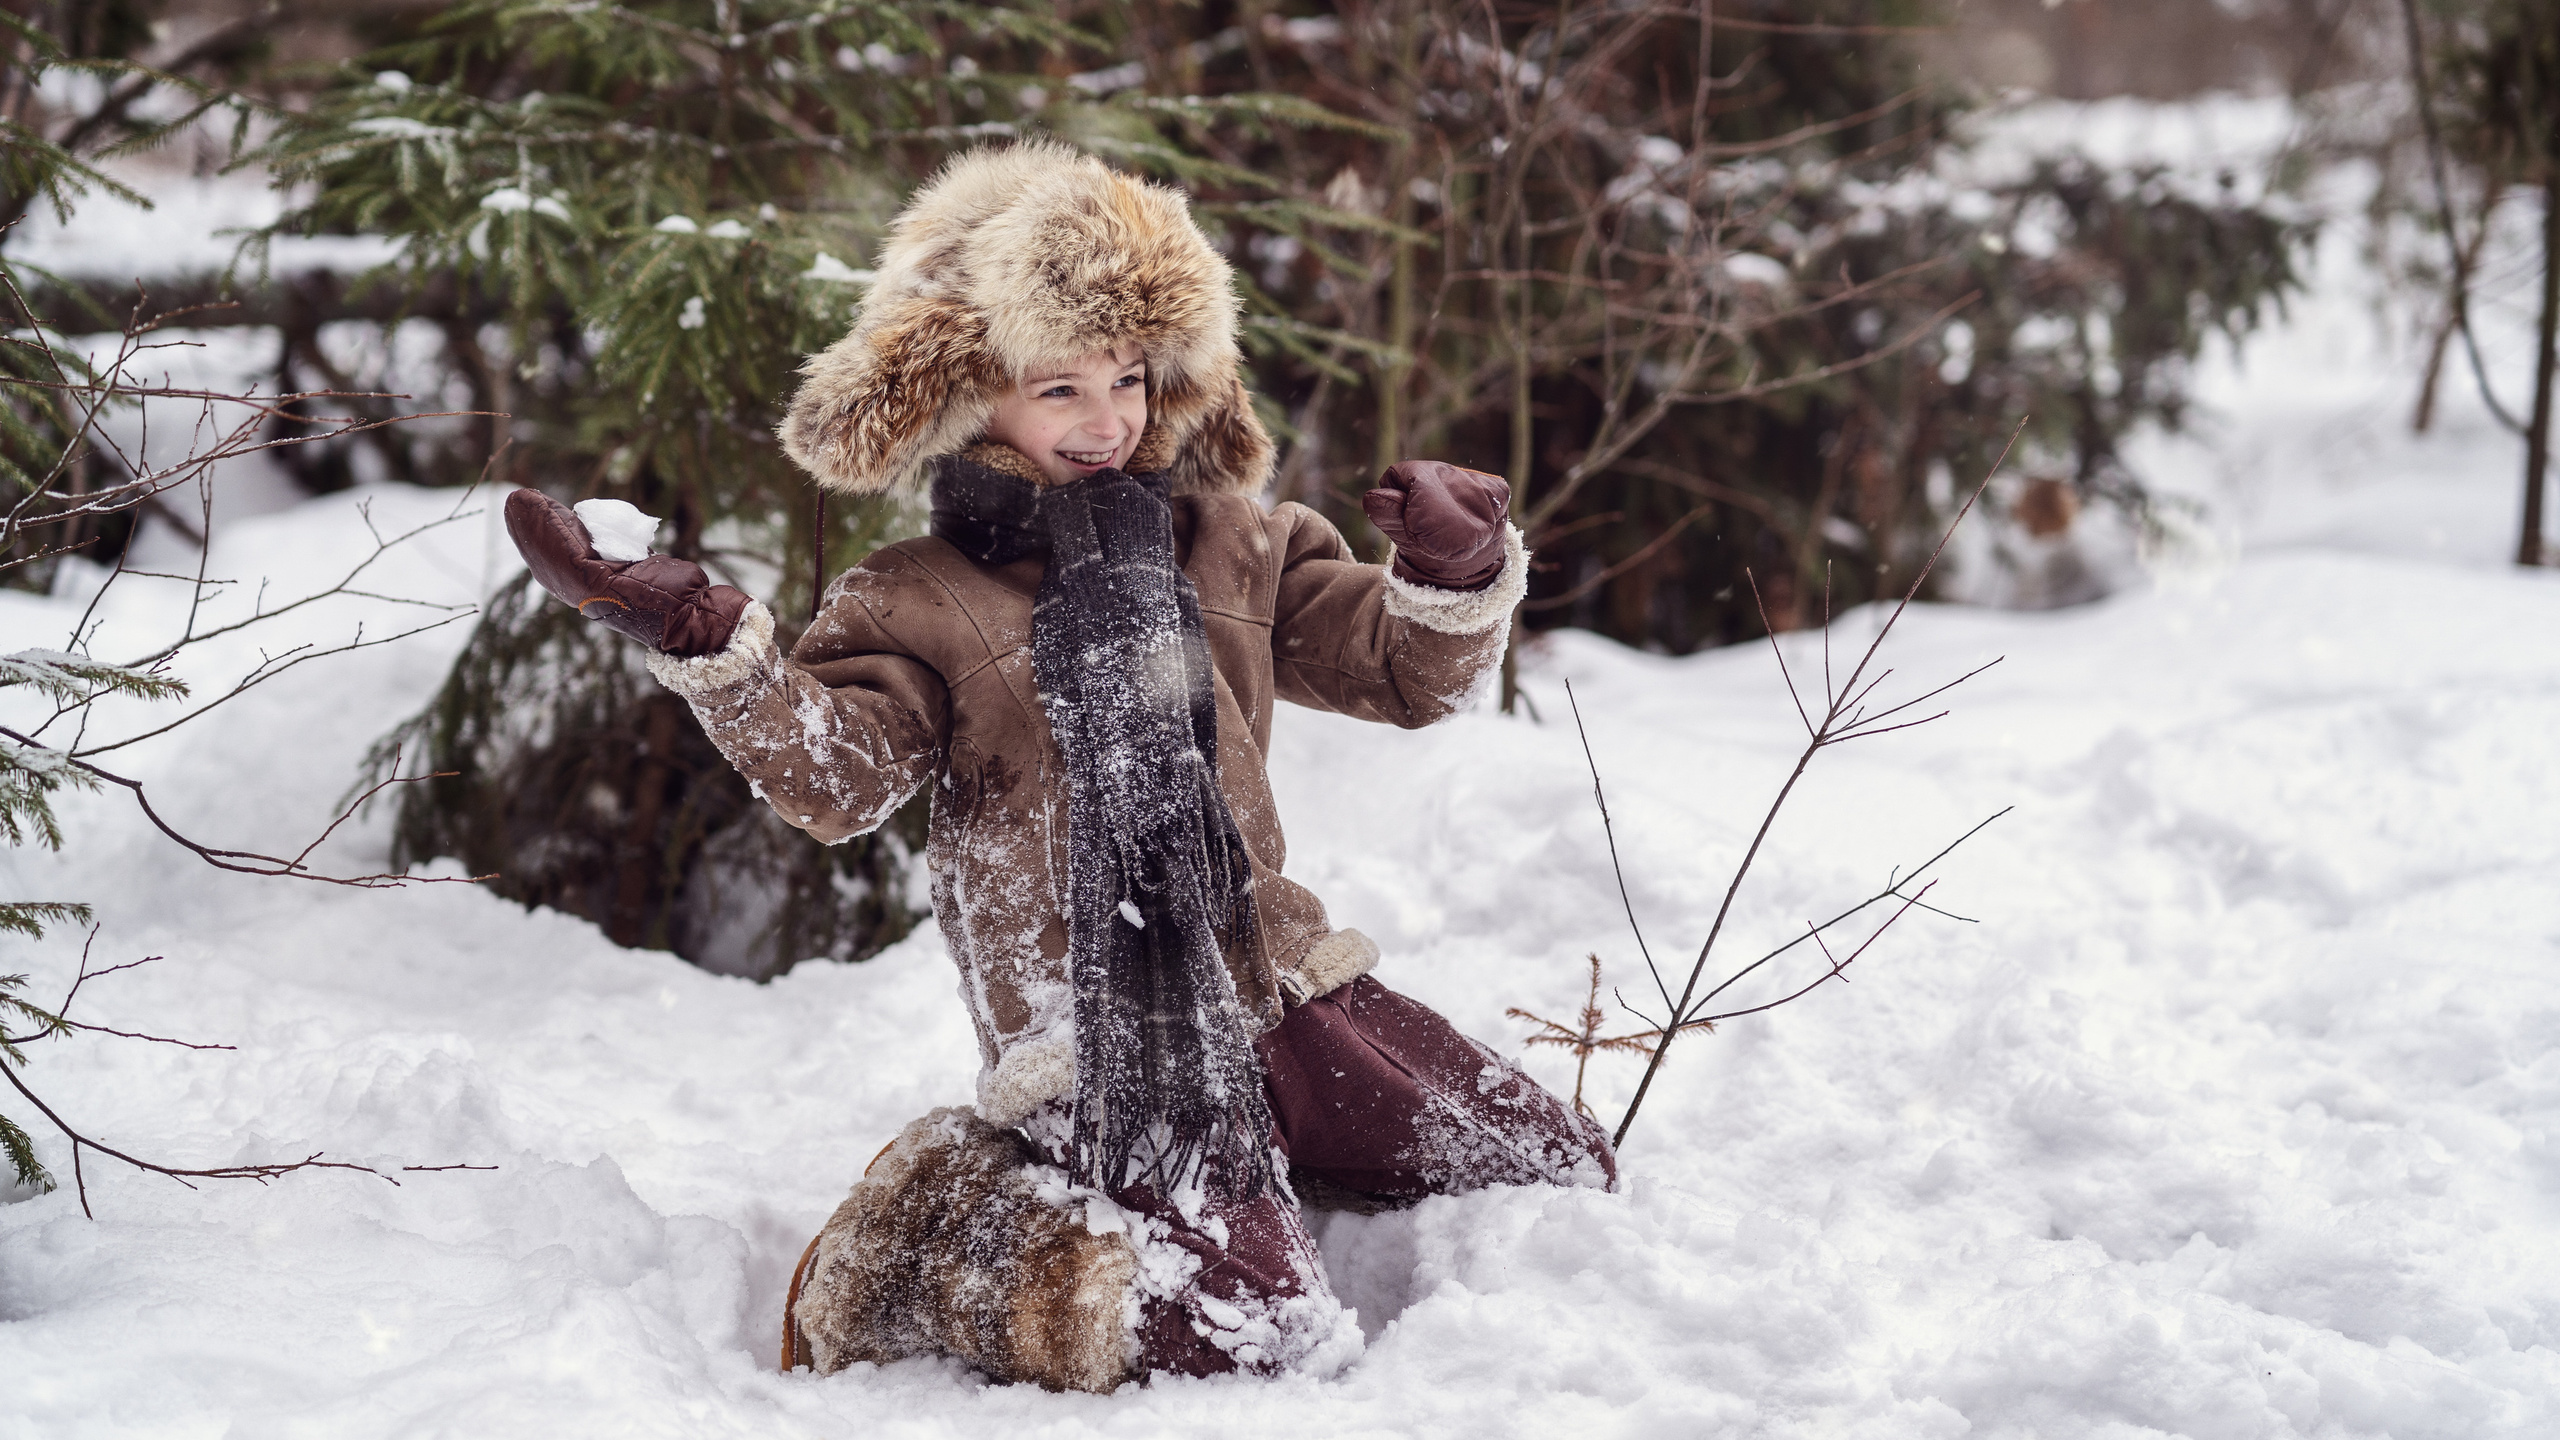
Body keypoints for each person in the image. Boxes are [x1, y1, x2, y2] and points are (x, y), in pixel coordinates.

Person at [504, 139, 1614, 1392]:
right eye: (1059, 388)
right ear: (970, 397)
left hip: (1277, 977)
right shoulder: (918, 596)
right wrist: (714, 645)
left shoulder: (1235, 544)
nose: (1107, 422)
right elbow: (838, 778)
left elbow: (1405, 672)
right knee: (1249, 1334)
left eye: (1131, 379)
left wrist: (1453, 574)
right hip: (1104, 1031)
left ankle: (1267, 1154)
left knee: (1544, 1166)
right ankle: (944, 1232)